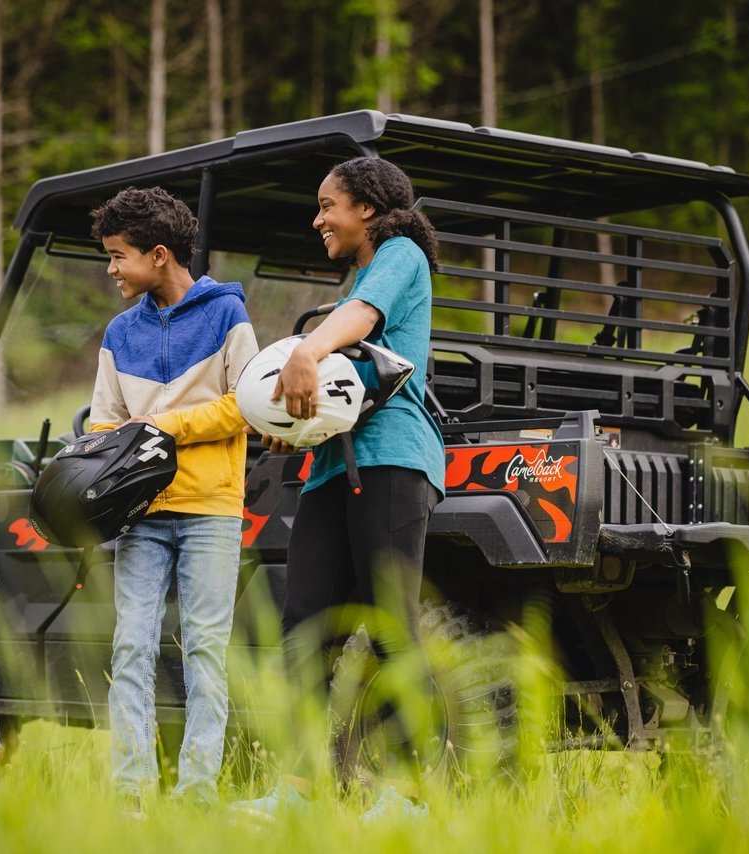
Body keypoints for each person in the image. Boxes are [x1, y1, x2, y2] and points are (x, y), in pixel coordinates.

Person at [234, 156, 445, 817]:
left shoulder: (401, 253)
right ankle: (295, 793)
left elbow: (357, 320)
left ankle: (407, 795)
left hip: (390, 460)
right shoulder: (359, 272)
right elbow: (344, 384)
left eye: (329, 204)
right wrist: (289, 426)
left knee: (390, 624)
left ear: (369, 210)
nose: (318, 217)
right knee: (304, 628)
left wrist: (305, 351)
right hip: (332, 466)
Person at [89, 186, 259, 806]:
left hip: (211, 508)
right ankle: (131, 792)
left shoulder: (226, 316)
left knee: (205, 648)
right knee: (130, 643)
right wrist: (120, 446)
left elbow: (248, 405)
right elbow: (105, 422)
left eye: (118, 256)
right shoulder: (119, 331)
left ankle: (197, 791)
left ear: (158, 255)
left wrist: (165, 426)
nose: (111, 269)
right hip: (141, 514)